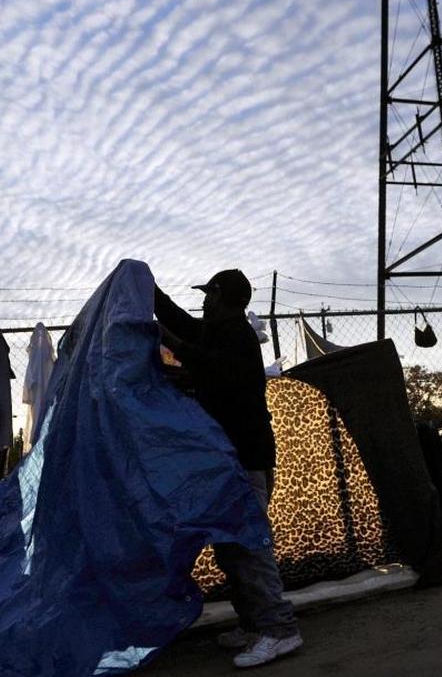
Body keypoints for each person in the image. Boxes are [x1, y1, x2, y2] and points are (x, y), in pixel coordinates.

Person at [153, 268, 301, 668]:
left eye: (208, 294)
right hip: (229, 459)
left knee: (249, 548)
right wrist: (151, 293)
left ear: (220, 295)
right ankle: (255, 624)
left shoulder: (236, 335)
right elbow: (185, 326)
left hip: (245, 459)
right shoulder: (220, 331)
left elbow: (212, 366)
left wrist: (173, 344)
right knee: (230, 547)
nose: (203, 301)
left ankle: (280, 630)